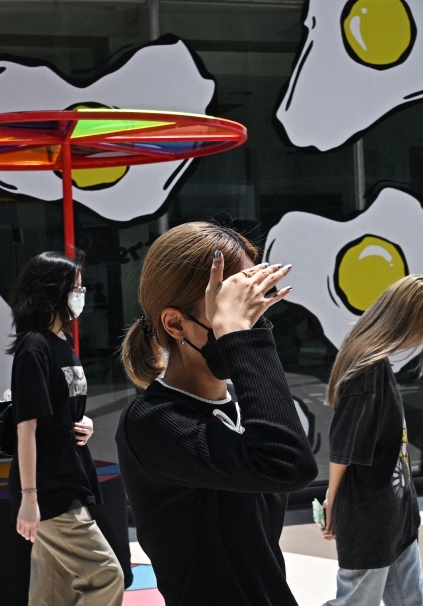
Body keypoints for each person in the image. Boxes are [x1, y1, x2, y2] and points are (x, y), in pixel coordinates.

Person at [116, 222, 317, 606]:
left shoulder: (242, 404)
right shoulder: (153, 422)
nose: (250, 320)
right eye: (231, 307)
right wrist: (243, 338)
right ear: (176, 323)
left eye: (253, 302)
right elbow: (289, 465)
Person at [320, 275, 423, 606]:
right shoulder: (368, 368)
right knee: (356, 601)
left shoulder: (371, 361)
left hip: (393, 512)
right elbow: (344, 445)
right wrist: (333, 499)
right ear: (410, 319)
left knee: (412, 599)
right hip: (371, 517)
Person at [8, 251, 124, 606]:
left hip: (68, 476)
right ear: (52, 291)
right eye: (76, 287)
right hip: (49, 489)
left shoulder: (63, 345)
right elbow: (25, 428)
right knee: (106, 576)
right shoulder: (34, 347)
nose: (82, 294)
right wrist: (29, 498)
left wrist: (83, 421)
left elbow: (60, 409)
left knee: (52, 594)